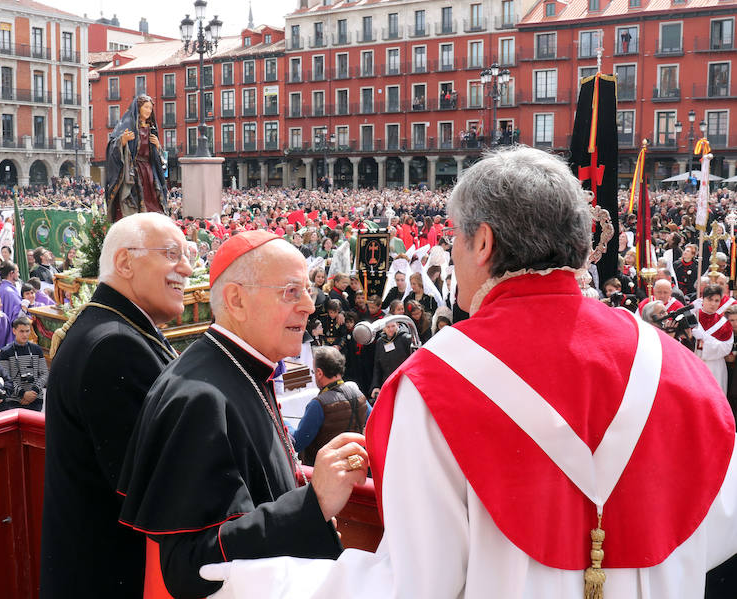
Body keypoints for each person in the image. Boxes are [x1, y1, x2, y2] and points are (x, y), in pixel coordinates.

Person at [201, 146, 737, 599]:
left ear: (483, 242)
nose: (452, 257)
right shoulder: (679, 368)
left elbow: (418, 585)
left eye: (456, 239)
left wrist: (269, 580)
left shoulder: (433, 385)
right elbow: (716, 533)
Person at [117, 230, 368, 599]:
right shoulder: (198, 399)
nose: (309, 306)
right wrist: (312, 505)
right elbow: (190, 567)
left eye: (307, 292)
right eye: (291, 292)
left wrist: (310, 517)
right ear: (236, 300)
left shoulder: (245, 368)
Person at [40, 213, 191, 599]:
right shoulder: (115, 346)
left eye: (188, 254)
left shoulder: (111, 328)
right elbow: (154, 483)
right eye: (172, 254)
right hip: (111, 576)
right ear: (125, 263)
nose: (187, 268)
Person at [293, 345, 370, 466]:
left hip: (325, 473)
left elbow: (297, 443)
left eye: (314, 371)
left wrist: (285, 424)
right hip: (354, 467)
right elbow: (374, 424)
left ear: (319, 373)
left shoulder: (318, 404)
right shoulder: (359, 395)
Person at [104, 94, 169, 221]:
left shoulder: (152, 129)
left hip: (149, 171)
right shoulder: (128, 125)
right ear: (139, 108)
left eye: (150, 108)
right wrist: (122, 140)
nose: (149, 111)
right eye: (146, 107)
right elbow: (112, 146)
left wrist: (157, 146)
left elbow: (159, 158)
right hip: (133, 170)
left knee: (154, 203)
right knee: (133, 202)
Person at [0, 317, 47, 412]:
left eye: (27, 331)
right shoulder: (5, 352)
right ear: (14, 331)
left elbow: (44, 373)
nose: (25, 334)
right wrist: (22, 394)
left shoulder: (37, 349)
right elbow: (5, 377)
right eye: (21, 331)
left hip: (35, 398)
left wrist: (34, 392)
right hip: (14, 401)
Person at [693, 283, 734, 393]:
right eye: (710, 299)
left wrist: (703, 340)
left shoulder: (724, 323)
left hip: (715, 367)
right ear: (703, 299)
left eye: (716, 301)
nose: (713, 304)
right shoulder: (693, 317)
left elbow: (726, 348)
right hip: (694, 364)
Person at [369, 319, 413, 401]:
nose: (391, 329)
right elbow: (377, 366)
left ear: (397, 325)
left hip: (404, 381)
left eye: (393, 326)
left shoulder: (405, 338)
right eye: (388, 327)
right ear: (383, 329)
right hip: (388, 381)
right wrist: (376, 386)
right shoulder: (380, 342)